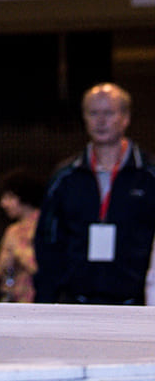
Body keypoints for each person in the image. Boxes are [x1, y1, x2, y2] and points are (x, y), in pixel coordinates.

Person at [34, 83, 155, 305]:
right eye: (93, 113)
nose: (100, 121)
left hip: (135, 303)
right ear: (84, 118)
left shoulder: (149, 174)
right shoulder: (65, 176)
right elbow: (47, 240)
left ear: (126, 118)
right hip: (75, 301)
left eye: (108, 113)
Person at [0, 168, 44, 303]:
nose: (3, 203)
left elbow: (43, 269)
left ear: (24, 196)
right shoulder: (12, 230)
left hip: (41, 299)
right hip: (15, 300)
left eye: (9, 197)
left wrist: (18, 251)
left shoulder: (44, 225)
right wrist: (4, 264)